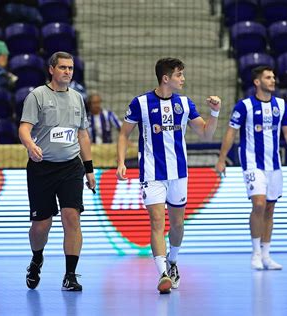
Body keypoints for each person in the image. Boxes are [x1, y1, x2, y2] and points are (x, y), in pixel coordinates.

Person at [116, 57, 221, 294]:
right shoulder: (140, 103)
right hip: (152, 173)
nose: (183, 79)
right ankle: (162, 272)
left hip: (178, 173)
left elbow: (206, 134)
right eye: (179, 75)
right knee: (156, 221)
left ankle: (173, 261)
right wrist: (121, 162)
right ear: (166, 78)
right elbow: (124, 135)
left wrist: (214, 113)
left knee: (177, 224)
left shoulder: (184, 104)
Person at [19, 51, 96, 292]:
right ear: (51, 69)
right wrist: (31, 145)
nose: (68, 72)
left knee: (72, 217)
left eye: (71, 68)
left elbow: (82, 133)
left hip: (70, 167)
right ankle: (37, 258)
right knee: (42, 225)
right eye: (63, 67)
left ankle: (70, 275)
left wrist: (89, 169)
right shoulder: (37, 96)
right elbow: (24, 128)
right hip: (42, 168)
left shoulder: (77, 98)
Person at [215, 65, 287, 271]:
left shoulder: (280, 105)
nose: (273, 80)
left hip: (274, 164)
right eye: (268, 77)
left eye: (273, 77)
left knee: (270, 209)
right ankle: (255, 253)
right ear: (257, 82)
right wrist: (221, 159)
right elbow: (230, 133)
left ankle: (266, 255)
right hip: (252, 163)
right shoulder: (244, 106)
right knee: (259, 204)